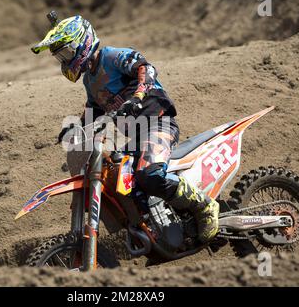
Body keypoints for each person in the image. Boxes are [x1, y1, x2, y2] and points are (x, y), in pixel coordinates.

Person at [31, 13, 219, 243]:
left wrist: (138, 95)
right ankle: (159, 231)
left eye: (66, 53)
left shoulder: (110, 56)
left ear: (83, 41)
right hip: (135, 136)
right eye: (60, 56)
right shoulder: (89, 80)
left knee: (150, 175)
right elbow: (94, 110)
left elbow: (146, 68)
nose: (64, 60)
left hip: (158, 123)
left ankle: (204, 205)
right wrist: (76, 128)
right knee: (122, 184)